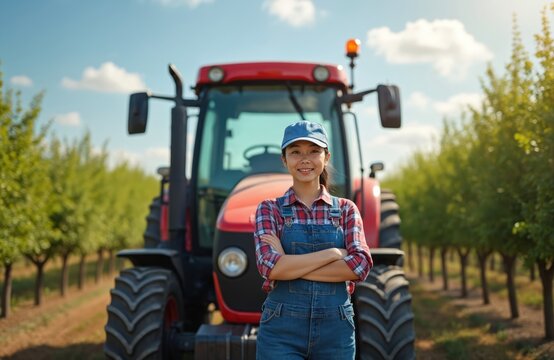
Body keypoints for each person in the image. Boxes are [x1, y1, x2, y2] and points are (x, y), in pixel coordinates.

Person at [254, 121, 373, 360]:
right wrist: (333, 255)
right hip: (280, 331)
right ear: (284, 160)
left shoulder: (346, 210)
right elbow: (268, 266)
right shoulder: (269, 209)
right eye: (295, 151)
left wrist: (287, 265)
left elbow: (360, 266)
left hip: (335, 332)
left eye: (313, 151)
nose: (304, 159)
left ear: (326, 157)